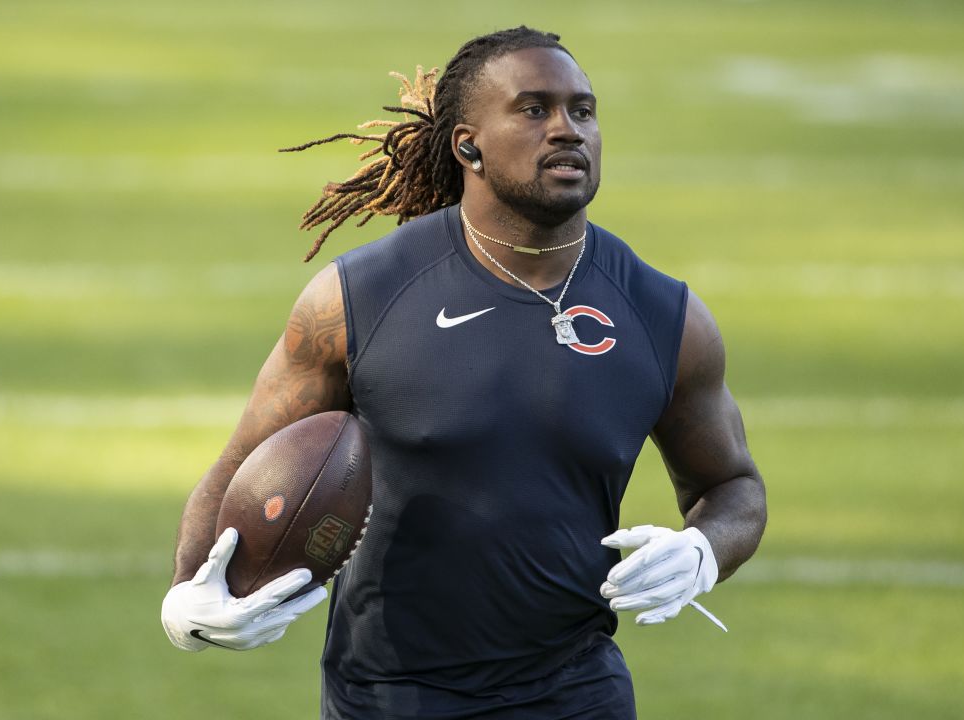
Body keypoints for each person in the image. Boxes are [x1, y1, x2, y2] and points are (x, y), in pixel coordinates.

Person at [161, 26, 766, 719]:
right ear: (467, 145)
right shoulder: (360, 297)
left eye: (583, 110)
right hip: (386, 699)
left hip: (575, 692)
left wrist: (701, 552)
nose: (567, 129)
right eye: (534, 109)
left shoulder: (664, 316)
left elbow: (733, 487)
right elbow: (242, 462)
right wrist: (188, 596)